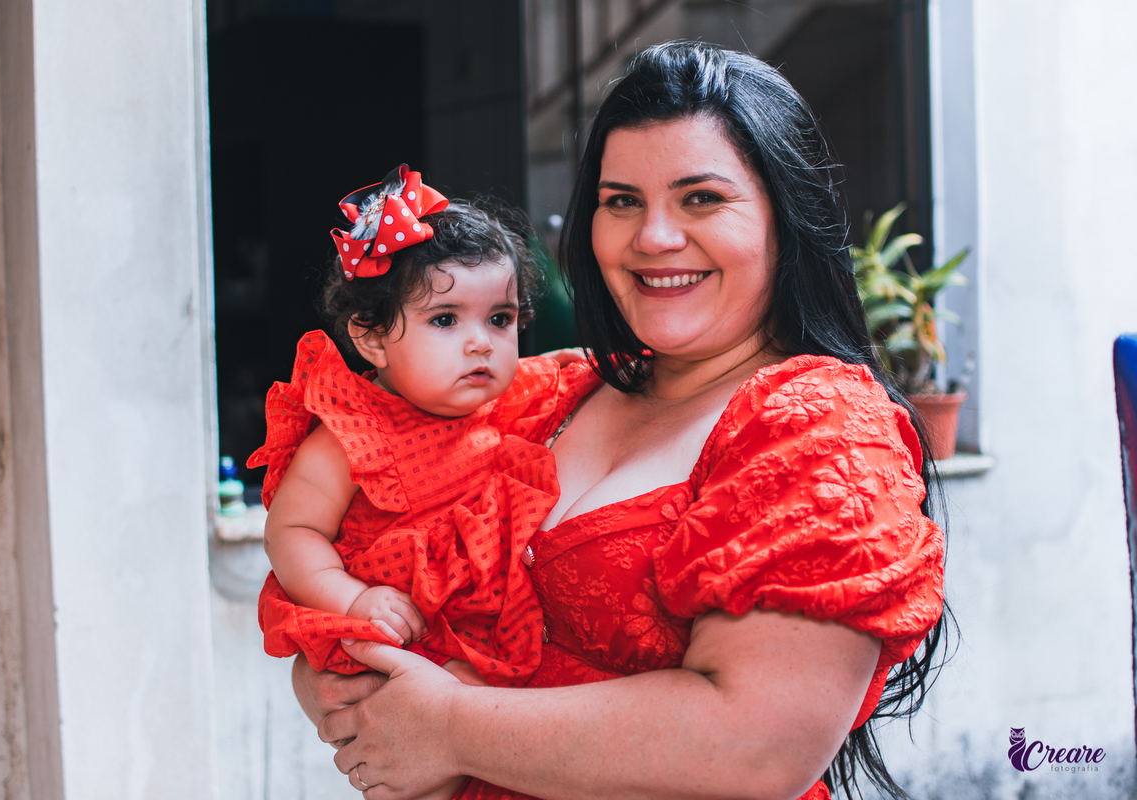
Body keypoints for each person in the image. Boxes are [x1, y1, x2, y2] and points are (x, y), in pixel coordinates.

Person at [294, 43, 948, 800]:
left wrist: (447, 727)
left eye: (701, 199)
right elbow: (337, 567)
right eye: (622, 201)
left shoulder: (822, 428)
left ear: (785, 215)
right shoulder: (545, 391)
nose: (653, 238)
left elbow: (756, 747)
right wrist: (341, 686)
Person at [251, 168, 581, 796]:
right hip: (400, 631)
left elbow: (563, 371)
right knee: (420, 768)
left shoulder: (506, 396)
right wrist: (351, 599)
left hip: (487, 629)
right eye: (445, 320)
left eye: (501, 318)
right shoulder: (350, 434)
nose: (481, 344)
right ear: (372, 337)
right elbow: (291, 531)